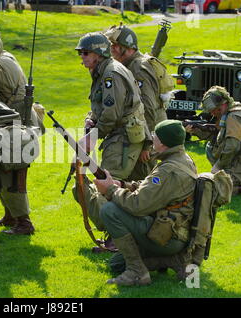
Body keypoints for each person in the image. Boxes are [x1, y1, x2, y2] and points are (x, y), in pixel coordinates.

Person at [93, 120, 197, 286]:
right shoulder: (181, 158)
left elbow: (137, 205)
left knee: (109, 210)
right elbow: (151, 188)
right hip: (174, 232)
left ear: (162, 143)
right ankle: (172, 260)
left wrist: (110, 190)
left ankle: (137, 272)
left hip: (168, 237)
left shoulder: (168, 170)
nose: (152, 136)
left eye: (155, 135)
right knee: (116, 264)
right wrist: (124, 185)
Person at [75, 32, 149, 182]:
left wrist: (93, 136)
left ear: (98, 53)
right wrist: (91, 119)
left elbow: (111, 113)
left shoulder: (111, 74)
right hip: (126, 134)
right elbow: (103, 104)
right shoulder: (104, 71)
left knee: (107, 184)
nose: (81, 56)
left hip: (124, 136)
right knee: (129, 188)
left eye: (85, 52)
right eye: (80, 53)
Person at [0, 50, 45, 235]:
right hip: (20, 118)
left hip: (18, 121)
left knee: (12, 174)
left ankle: (24, 223)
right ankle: (11, 215)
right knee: (7, 171)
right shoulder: (5, 56)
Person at [105, 24, 169, 180]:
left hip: (151, 133)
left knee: (145, 180)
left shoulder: (138, 69)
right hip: (143, 132)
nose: (111, 49)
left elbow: (147, 107)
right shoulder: (129, 66)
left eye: (115, 46)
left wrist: (146, 145)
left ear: (127, 48)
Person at [187, 86, 241, 195]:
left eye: (213, 110)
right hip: (239, 161)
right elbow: (217, 138)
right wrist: (194, 131)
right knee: (210, 149)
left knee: (215, 188)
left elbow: (232, 146)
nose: (212, 113)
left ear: (223, 104)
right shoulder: (227, 113)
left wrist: (218, 166)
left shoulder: (234, 117)